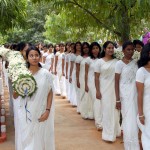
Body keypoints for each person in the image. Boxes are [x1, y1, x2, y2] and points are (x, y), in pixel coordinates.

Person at [13, 46, 55, 150]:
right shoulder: (22, 74)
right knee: (26, 138)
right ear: (27, 58)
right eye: (31, 55)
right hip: (25, 112)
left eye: (36, 55)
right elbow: (14, 95)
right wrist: (21, 85)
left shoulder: (46, 74)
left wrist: (47, 111)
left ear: (40, 57)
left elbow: (50, 93)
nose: (34, 58)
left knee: (39, 138)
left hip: (40, 112)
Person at [115, 41, 140, 149]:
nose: (130, 52)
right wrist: (117, 100)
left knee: (135, 118)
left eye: (132, 50)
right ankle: (129, 144)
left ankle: (136, 143)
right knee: (127, 118)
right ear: (123, 50)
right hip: (124, 95)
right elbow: (116, 82)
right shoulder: (119, 64)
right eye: (128, 49)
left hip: (135, 94)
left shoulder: (136, 63)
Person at [95, 41, 121, 142]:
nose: (111, 49)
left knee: (115, 110)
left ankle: (115, 131)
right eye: (109, 48)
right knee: (106, 111)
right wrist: (97, 91)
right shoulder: (99, 62)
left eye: (112, 48)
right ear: (104, 49)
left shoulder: (117, 61)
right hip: (104, 88)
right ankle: (107, 134)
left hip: (115, 89)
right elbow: (96, 77)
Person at [82, 42, 102, 126]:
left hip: (101, 81)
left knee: (99, 100)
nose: (95, 50)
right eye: (93, 48)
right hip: (91, 81)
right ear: (91, 50)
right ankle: (98, 122)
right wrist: (86, 84)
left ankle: (96, 115)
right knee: (96, 100)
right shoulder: (88, 60)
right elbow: (86, 73)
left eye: (97, 48)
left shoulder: (102, 59)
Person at [136, 43, 150, 150]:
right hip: (147, 107)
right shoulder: (141, 72)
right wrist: (140, 114)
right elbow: (139, 93)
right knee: (146, 133)